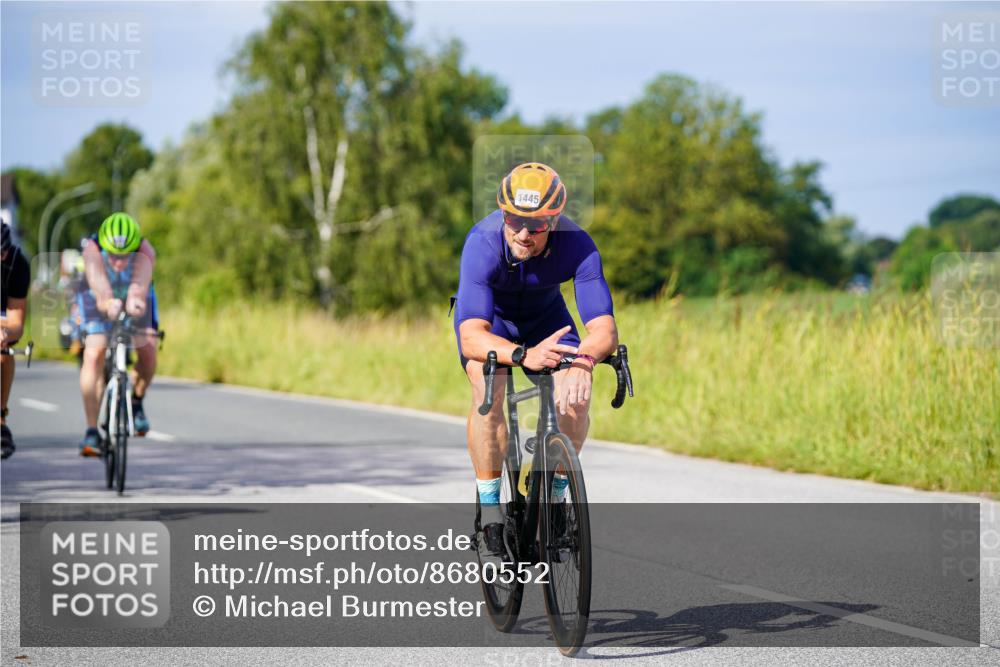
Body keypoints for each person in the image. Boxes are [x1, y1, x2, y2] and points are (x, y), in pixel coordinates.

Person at [453, 162, 619, 554]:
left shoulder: (578, 244)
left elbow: (604, 330)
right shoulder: (483, 242)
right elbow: (471, 336)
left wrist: (583, 363)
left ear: (555, 220)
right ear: (503, 213)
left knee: (575, 396)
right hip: (492, 326)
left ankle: (557, 495)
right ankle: (492, 514)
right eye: (514, 220)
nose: (524, 233)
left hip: (547, 322)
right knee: (488, 386)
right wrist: (523, 355)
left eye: (539, 225)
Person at [78, 212, 159, 456]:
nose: (119, 262)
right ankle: (92, 430)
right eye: (113, 256)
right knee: (94, 354)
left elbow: (139, 285)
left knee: (148, 348)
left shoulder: (146, 251)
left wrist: (135, 302)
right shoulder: (92, 251)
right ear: (104, 247)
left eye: (126, 256)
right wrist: (107, 303)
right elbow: (100, 289)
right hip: (98, 298)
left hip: (134, 295)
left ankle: (136, 401)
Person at [1, 222, 31, 460]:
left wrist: (6, 335)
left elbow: (16, 323)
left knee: (3, 353)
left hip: (3, 314)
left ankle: (0, 420)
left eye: (2, 254)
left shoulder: (17, 264)